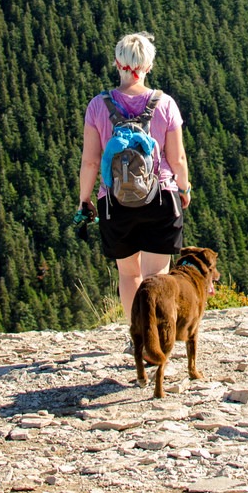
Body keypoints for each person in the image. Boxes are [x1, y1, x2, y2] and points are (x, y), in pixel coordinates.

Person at [78, 31, 193, 319]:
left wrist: (85, 200)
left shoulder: (97, 106)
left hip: (115, 202)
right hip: (161, 197)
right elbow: (177, 159)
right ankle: (161, 335)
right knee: (158, 277)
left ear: (117, 63)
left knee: (129, 276)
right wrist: (185, 189)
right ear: (148, 66)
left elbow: (90, 162)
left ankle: (136, 337)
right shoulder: (165, 104)